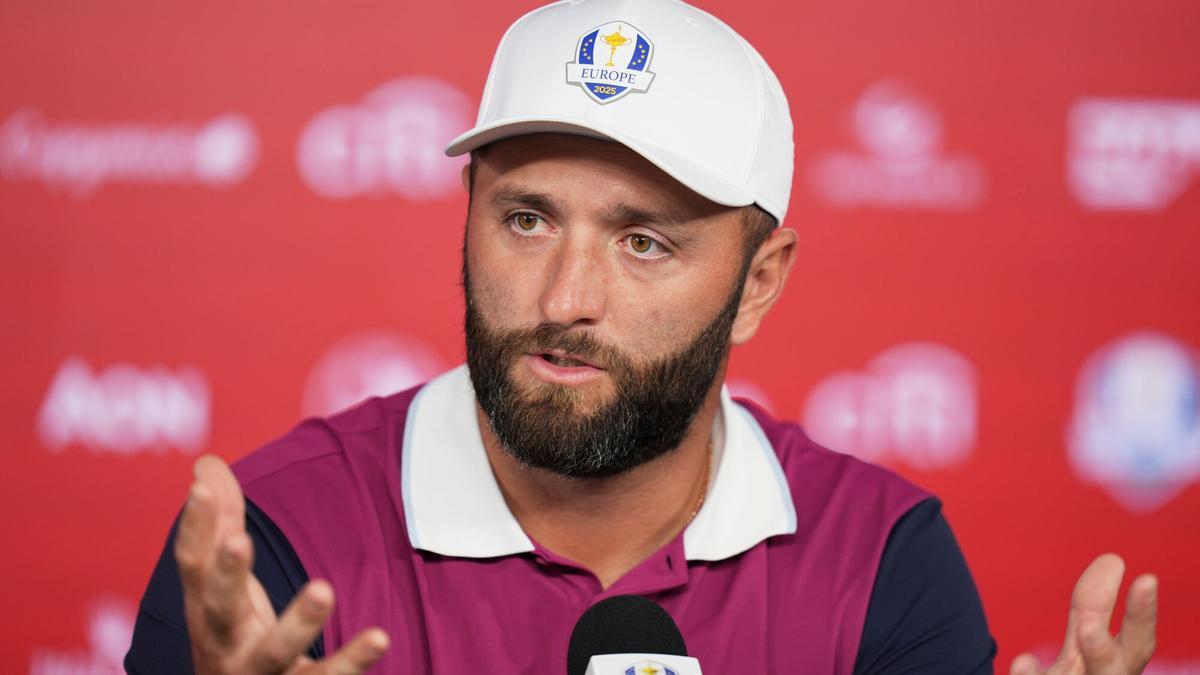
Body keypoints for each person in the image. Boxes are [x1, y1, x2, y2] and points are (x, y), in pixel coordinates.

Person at [125, 0, 1159, 673]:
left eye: (645, 241)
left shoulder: (880, 561)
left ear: (758, 285)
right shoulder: (267, 548)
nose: (566, 296)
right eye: (526, 219)